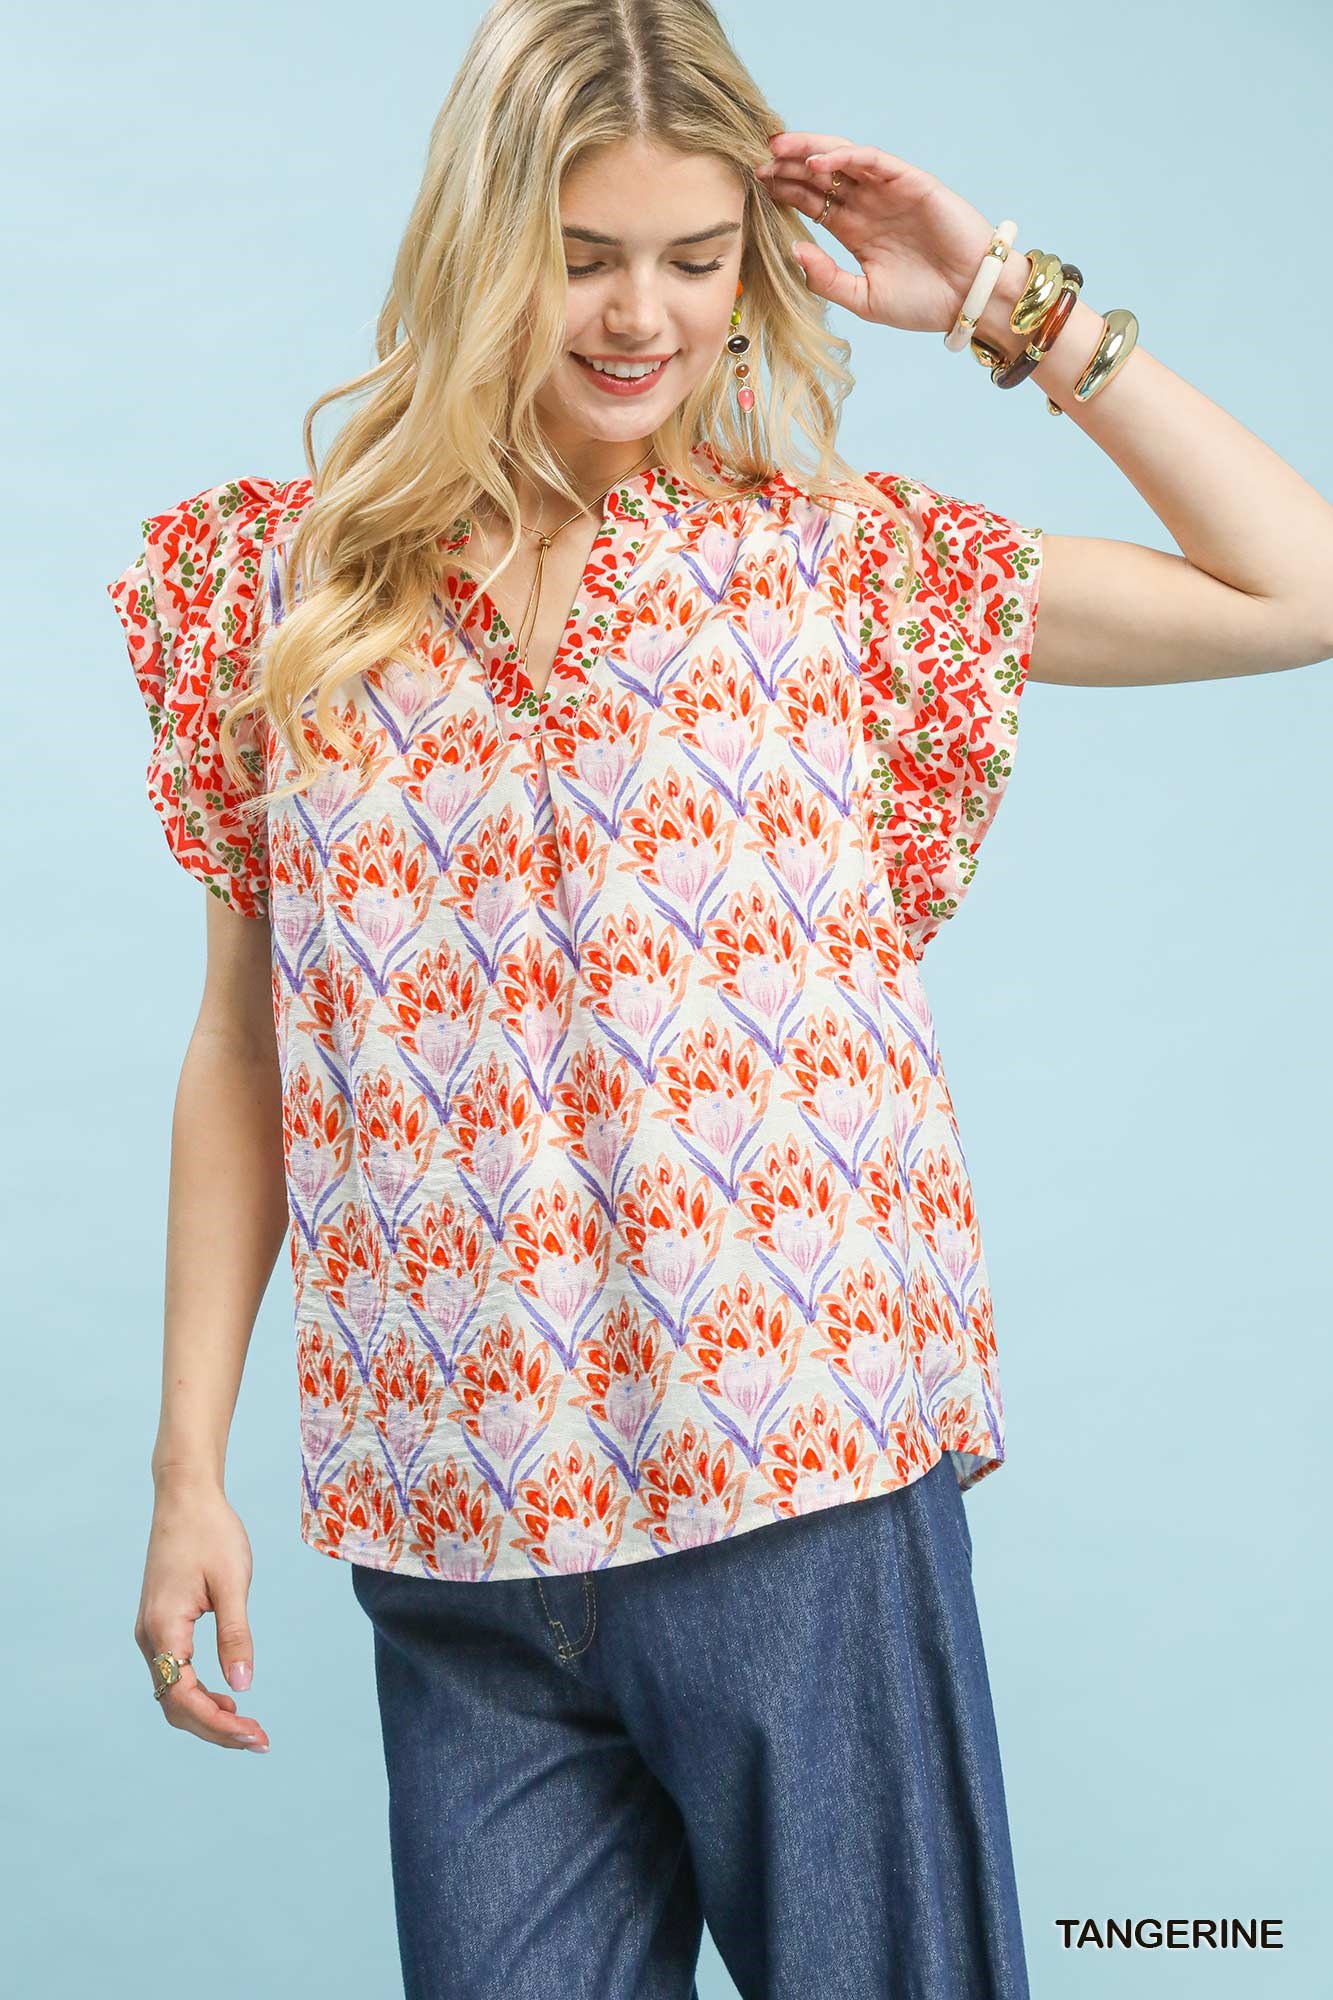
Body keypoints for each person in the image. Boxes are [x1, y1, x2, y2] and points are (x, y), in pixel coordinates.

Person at [107, 2, 1333, 1995]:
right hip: (457, 1534)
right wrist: (188, 1472)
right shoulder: (276, 593)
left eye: (693, 259)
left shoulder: (835, 573)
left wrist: (1008, 302)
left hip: (797, 1500)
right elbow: (247, 1050)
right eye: (583, 255)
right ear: (479, 244)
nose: (640, 317)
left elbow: (1302, 587)